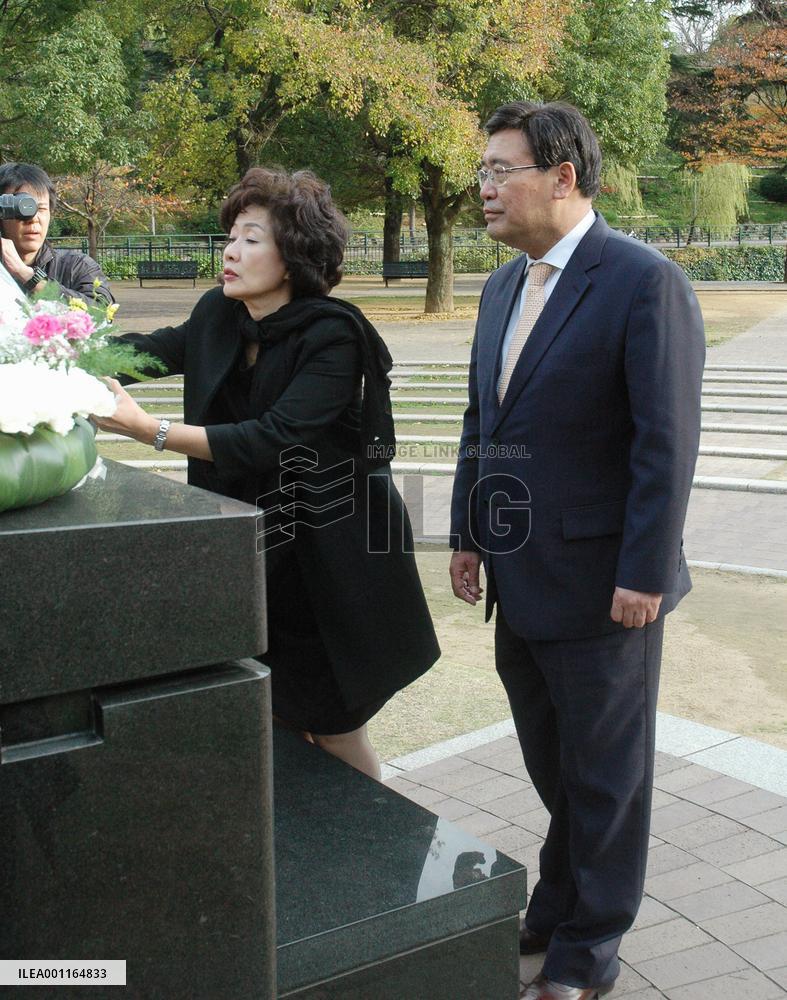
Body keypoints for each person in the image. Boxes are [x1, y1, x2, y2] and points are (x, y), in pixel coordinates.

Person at [449, 102, 704, 1000]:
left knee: (605, 778)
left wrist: (643, 571)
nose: (482, 188)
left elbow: (662, 443)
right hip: (519, 579)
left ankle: (587, 951)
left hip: (606, 589)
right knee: (554, 763)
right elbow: (484, 424)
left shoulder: (641, 281)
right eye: (479, 171)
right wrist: (469, 532)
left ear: (561, 177)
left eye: (498, 170)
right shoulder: (498, 287)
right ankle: (560, 900)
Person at [91, 167, 440, 780]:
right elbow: (145, 351)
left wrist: (151, 431)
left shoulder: (333, 335)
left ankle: (379, 841)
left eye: (252, 238)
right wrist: (53, 344)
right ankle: (317, 845)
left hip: (330, 556)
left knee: (334, 724)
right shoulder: (219, 314)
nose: (231, 250)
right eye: (231, 235)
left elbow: (270, 440)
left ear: (295, 255)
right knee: (276, 708)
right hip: (256, 551)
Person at [0, 162, 113, 305]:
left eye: (40, 209)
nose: (33, 219)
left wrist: (29, 277)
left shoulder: (76, 266)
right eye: (21, 209)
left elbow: (101, 312)